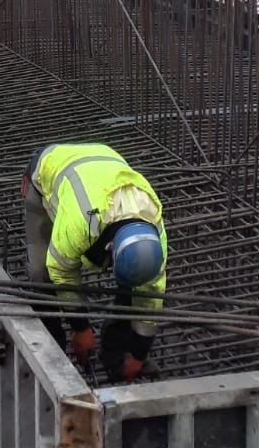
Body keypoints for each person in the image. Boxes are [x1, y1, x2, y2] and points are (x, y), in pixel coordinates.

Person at [22, 142, 166, 382]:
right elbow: (61, 271)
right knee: (41, 273)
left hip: (103, 158)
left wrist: (139, 354)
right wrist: (80, 327)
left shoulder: (156, 233)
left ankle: (114, 351)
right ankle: (51, 351)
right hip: (48, 169)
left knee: (135, 286)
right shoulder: (81, 223)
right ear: (110, 247)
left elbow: (151, 294)